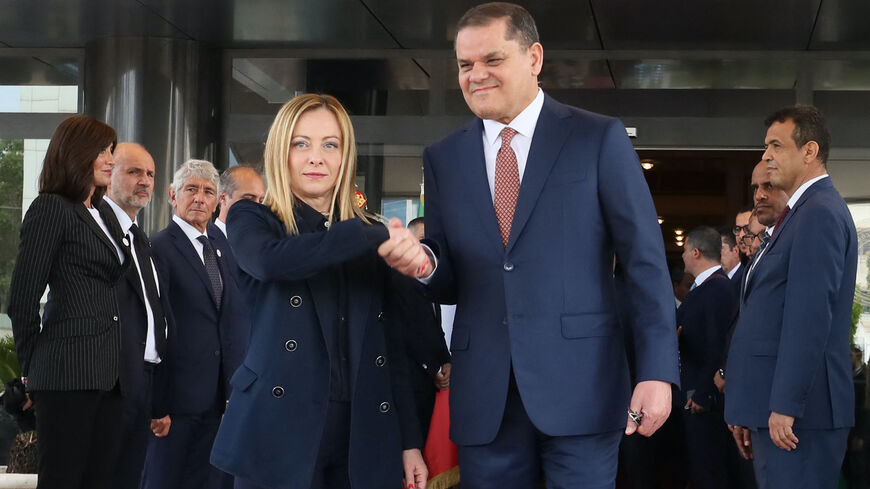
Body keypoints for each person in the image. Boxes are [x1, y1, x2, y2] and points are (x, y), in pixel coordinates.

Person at [398, 3, 679, 487]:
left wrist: (657, 372)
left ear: (534, 57)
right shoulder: (443, 158)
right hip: (486, 396)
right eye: (465, 65)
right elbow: (449, 278)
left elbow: (645, 263)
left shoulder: (596, 138)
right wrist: (424, 264)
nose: (476, 75)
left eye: (492, 60)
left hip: (583, 390)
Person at [210, 93, 428, 489]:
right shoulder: (253, 218)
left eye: (330, 144)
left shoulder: (365, 237)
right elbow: (271, 262)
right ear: (281, 152)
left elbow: (391, 348)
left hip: (362, 433)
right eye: (301, 144)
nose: (316, 158)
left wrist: (410, 441)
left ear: (345, 156)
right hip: (278, 430)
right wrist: (368, 234)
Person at [725, 105, 857, 489]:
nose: (766, 156)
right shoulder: (799, 215)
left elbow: (809, 318)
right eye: (766, 146)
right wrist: (749, 406)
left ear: (809, 152)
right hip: (777, 411)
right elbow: (763, 317)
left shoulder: (818, 213)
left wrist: (785, 405)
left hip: (799, 416)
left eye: (776, 145)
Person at [7, 114, 127, 489]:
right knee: (63, 480)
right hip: (64, 375)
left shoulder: (103, 211)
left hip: (107, 374)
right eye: (103, 151)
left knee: (100, 479)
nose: (111, 159)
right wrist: (31, 374)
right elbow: (23, 300)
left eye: (112, 151)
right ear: (77, 153)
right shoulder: (51, 208)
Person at [142, 159, 249, 489]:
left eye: (208, 192)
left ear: (218, 201)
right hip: (175, 404)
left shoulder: (222, 248)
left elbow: (231, 320)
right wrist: (157, 402)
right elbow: (152, 328)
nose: (200, 198)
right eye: (191, 190)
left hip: (219, 402)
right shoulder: (157, 248)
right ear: (173, 196)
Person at [100, 143, 172, 489]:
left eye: (150, 174)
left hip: (142, 383)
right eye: (133, 172)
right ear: (109, 174)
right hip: (107, 384)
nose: (144, 181)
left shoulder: (141, 238)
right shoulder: (94, 227)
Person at [677, 226, 738, 489]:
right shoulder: (705, 288)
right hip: (697, 394)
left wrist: (701, 394)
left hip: (704, 400)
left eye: (684, 251)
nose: (682, 257)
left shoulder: (716, 290)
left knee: (709, 472)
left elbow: (717, 346)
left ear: (696, 252)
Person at [396, 217, 452, 442]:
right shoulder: (397, 280)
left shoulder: (431, 281)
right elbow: (405, 330)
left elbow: (433, 330)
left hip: (431, 387)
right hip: (409, 387)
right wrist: (433, 369)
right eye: (420, 242)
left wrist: (447, 361)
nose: (425, 251)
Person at [215, 166, 266, 237]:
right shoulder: (204, 242)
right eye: (248, 199)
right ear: (223, 198)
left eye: (261, 201)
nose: (257, 208)